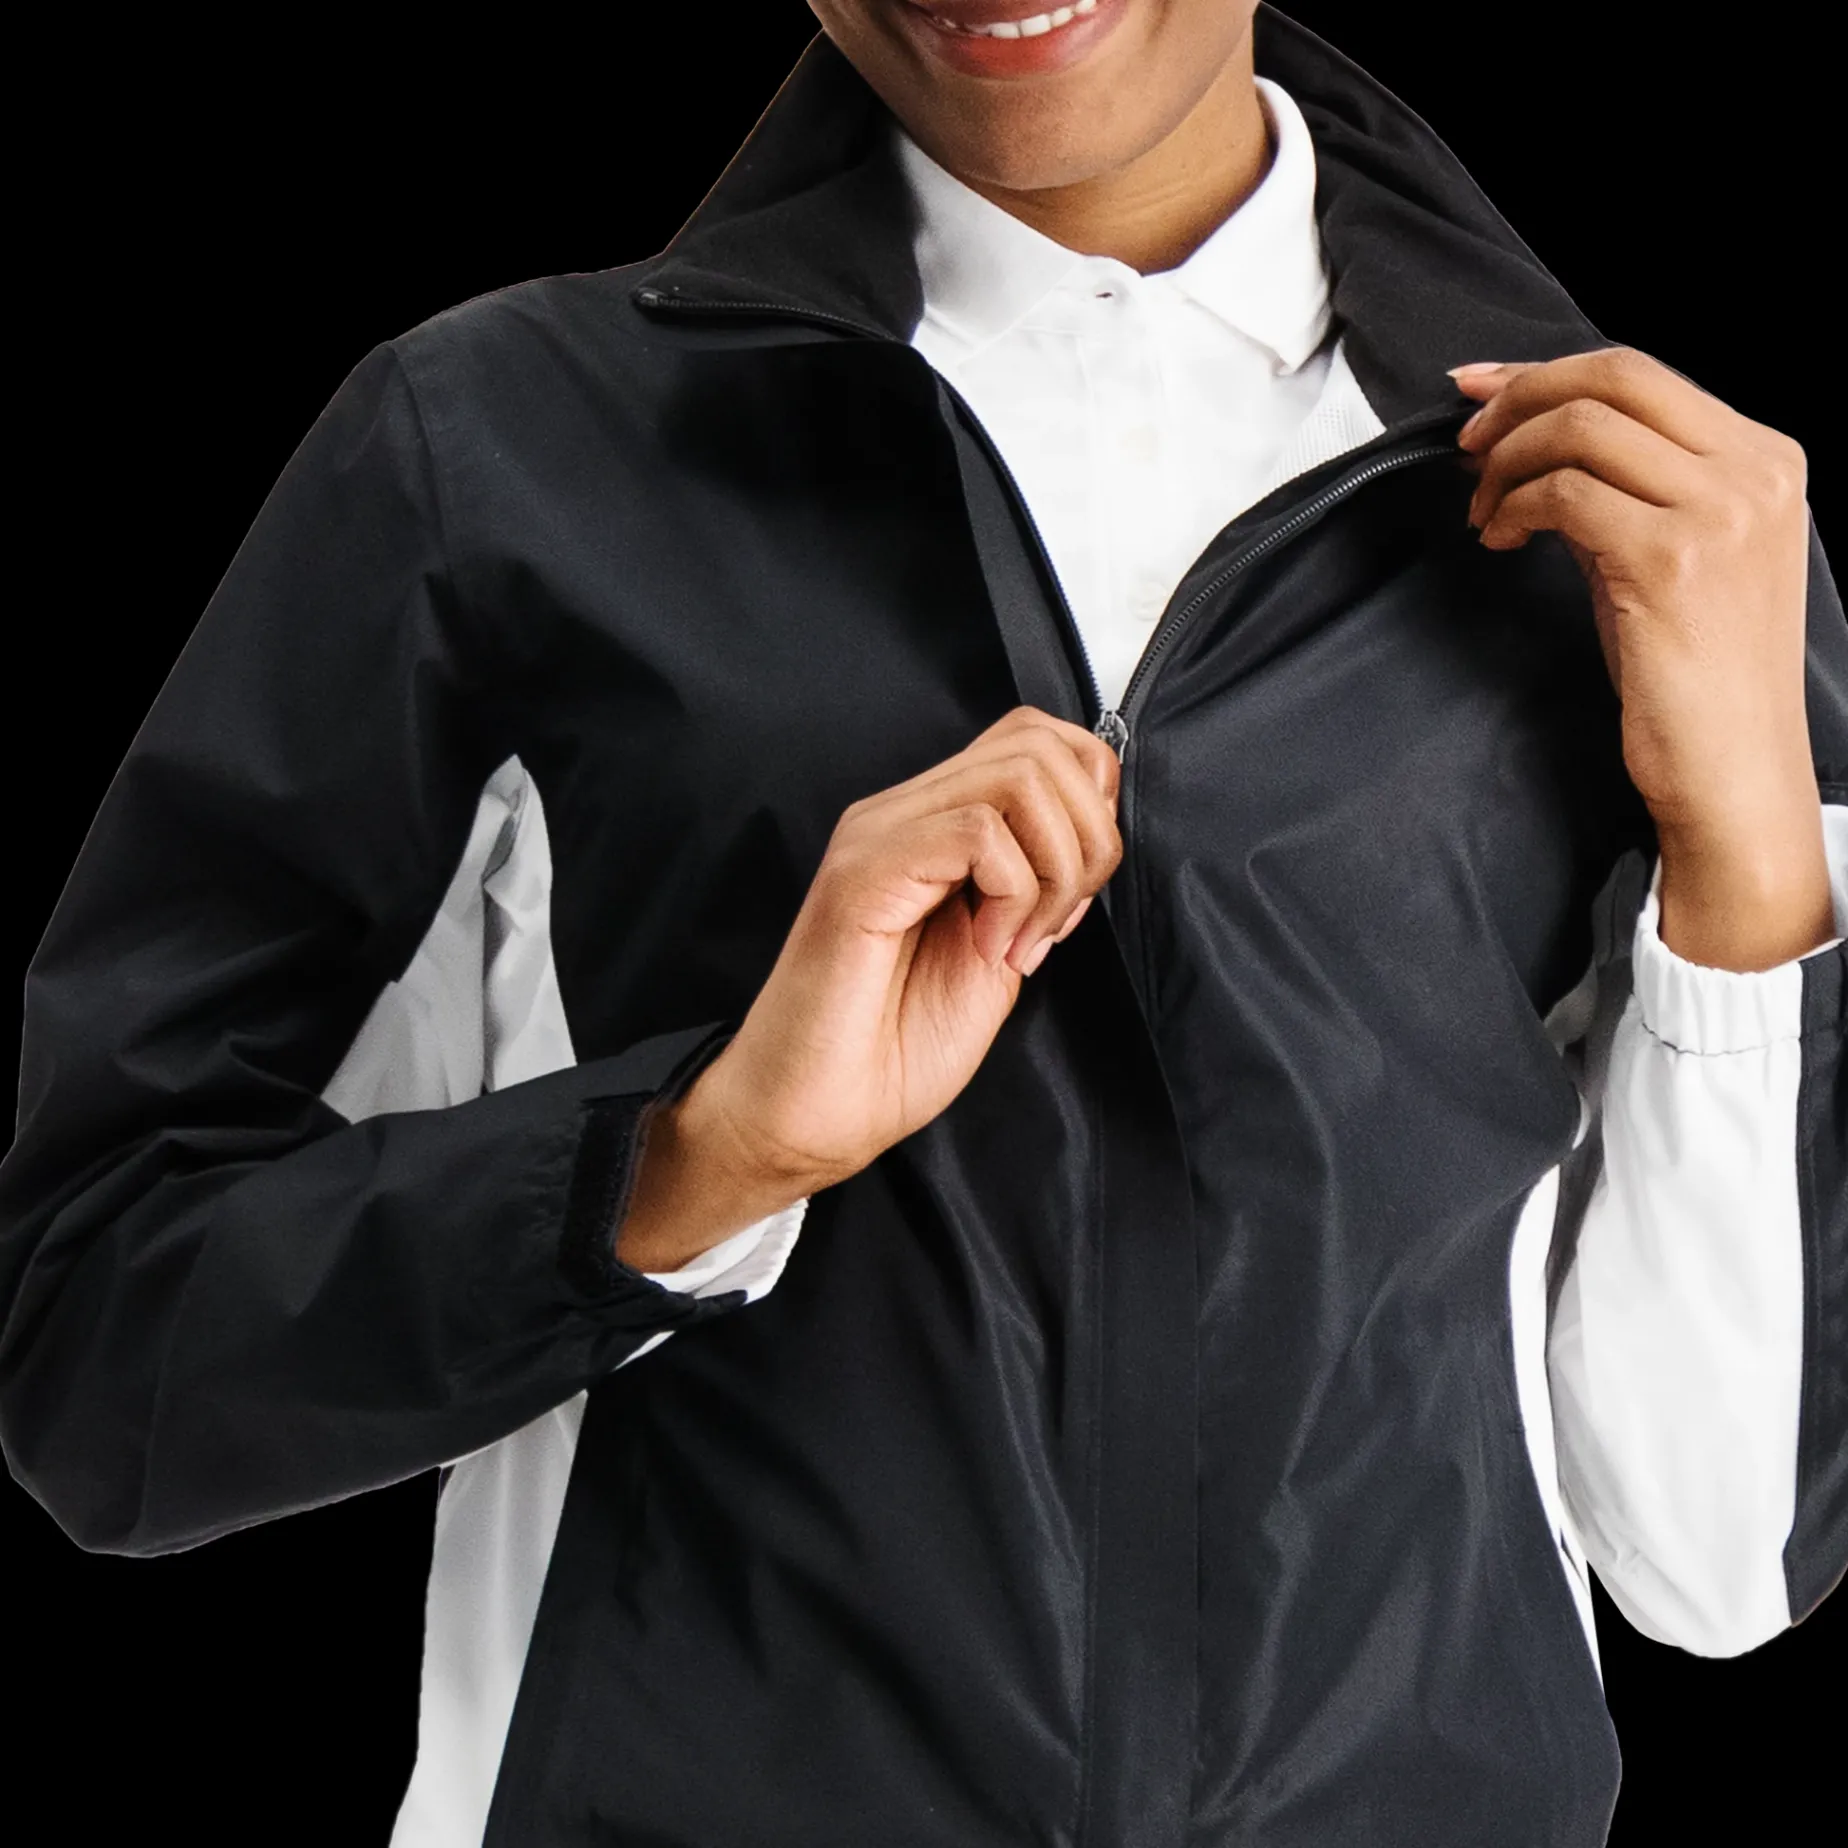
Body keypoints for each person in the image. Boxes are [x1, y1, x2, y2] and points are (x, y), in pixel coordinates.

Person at [2, 2, 1843, 1843]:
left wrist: (1757, 859)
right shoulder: (497, 459)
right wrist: (693, 1162)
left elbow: (1728, 1555)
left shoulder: (1661, 526)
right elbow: (106, 1356)